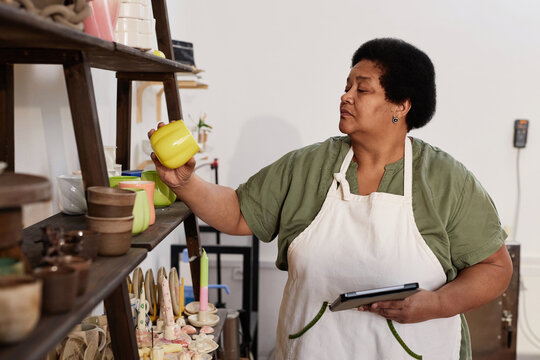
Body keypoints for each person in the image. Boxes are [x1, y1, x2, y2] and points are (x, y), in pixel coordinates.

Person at [148, 38, 513, 359]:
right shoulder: (309, 166)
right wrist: (184, 183)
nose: (345, 95)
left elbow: (495, 268)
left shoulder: (446, 180)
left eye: (362, 89)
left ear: (400, 106)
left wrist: (438, 304)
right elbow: (239, 214)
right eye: (347, 85)